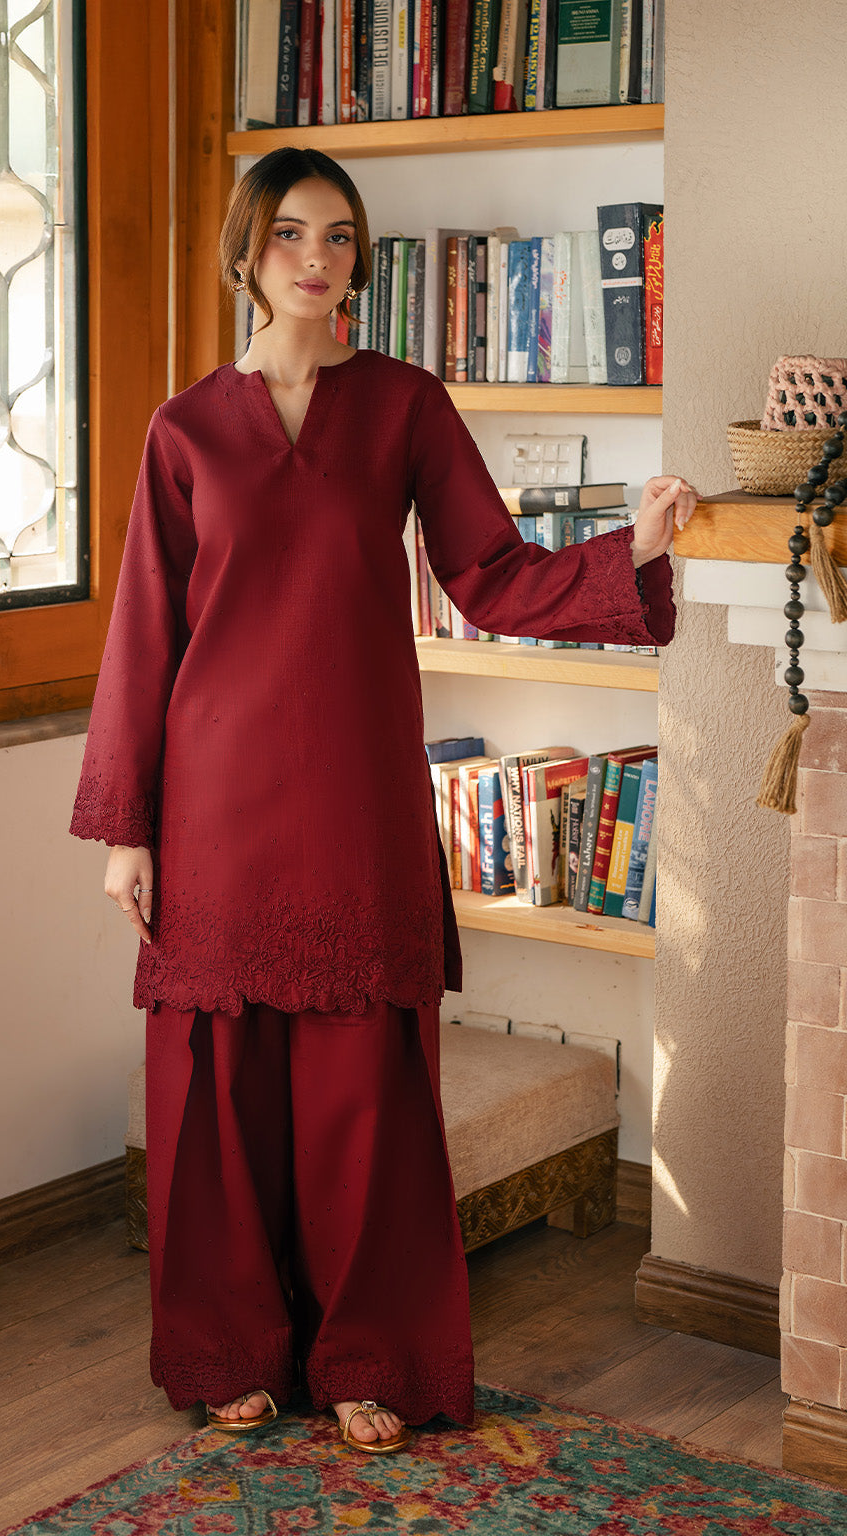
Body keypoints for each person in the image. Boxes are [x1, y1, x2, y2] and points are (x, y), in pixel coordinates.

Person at [69, 146, 698, 1454]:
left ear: (361, 258)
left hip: (357, 791)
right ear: (247, 253)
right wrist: (128, 830)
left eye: (342, 236)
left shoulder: (406, 405)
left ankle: (369, 1356)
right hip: (213, 802)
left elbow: (492, 574)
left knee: (367, 1087)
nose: (318, 258)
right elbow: (145, 633)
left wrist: (631, 550)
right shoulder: (186, 430)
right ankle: (232, 1348)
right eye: (291, 234)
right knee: (218, 1092)